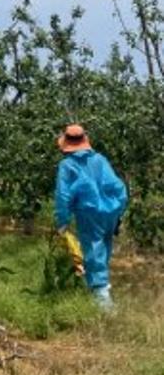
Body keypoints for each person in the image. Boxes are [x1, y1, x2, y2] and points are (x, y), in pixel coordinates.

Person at [54, 124, 128, 311]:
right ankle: (96, 288)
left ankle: (102, 299)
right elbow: (118, 186)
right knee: (103, 247)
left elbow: (63, 195)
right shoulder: (99, 159)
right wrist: (119, 210)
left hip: (89, 212)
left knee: (93, 250)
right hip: (111, 209)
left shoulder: (67, 165)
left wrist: (62, 220)